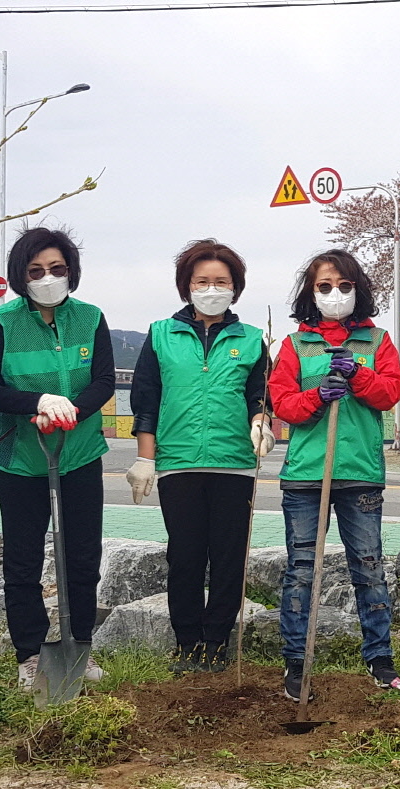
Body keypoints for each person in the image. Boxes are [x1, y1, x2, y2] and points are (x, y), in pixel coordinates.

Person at [0, 227, 115, 691]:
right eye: (36, 271)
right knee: (23, 558)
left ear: (71, 272)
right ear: (21, 275)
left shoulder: (91, 318)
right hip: (19, 459)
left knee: (82, 556)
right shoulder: (0, 322)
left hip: (78, 454)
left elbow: (102, 382)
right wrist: (37, 401)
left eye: (57, 269)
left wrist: (72, 408)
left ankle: (80, 643)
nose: (48, 278)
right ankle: (30, 653)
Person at [128, 240, 273, 674]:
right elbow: (147, 400)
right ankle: (187, 643)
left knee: (229, 559)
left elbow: (258, 395)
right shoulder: (160, 335)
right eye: (202, 281)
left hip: (235, 465)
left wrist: (260, 422)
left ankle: (217, 643)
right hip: (179, 463)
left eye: (221, 282)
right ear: (186, 286)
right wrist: (146, 458)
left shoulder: (250, 339)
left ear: (236, 288)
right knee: (186, 557)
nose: (212, 288)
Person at [268, 249, 400, 700]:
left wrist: (358, 379)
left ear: (358, 289)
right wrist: (316, 395)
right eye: (325, 286)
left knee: (368, 566)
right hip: (307, 475)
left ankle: (380, 659)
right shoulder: (294, 345)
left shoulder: (377, 340)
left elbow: (391, 393)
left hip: (361, 472)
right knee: (302, 570)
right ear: (311, 292)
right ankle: (295, 661)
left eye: (344, 286)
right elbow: (282, 402)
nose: (335, 294)